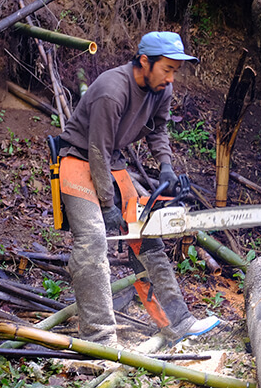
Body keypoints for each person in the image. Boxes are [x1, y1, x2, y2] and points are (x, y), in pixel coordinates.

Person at [55, 31, 220, 347]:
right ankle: (99, 340)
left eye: (175, 71)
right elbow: (97, 149)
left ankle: (178, 322)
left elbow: (159, 131)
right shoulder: (111, 91)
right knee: (91, 244)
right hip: (78, 160)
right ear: (145, 61)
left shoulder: (161, 90)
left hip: (111, 164)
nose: (171, 78)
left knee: (146, 239)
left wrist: (166, 166)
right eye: (167, 69)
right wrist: (107, 205)